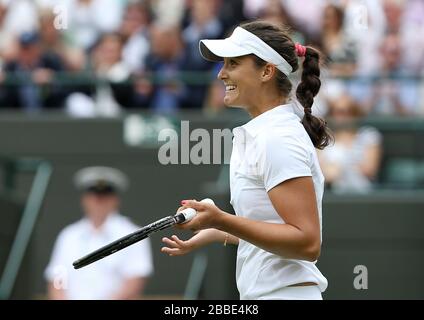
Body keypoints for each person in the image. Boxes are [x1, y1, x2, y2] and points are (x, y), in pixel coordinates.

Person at [161, 21, 332, 300]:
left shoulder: (277, 138)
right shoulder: (264, 134)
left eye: (233, 64)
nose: (221, 74)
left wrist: (224, 220)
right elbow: (272, 230)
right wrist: (217, 228)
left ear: (266, 71)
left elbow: (307, 242)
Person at [45, 166, 153, 300]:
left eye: (105, 196)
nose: (98, 201)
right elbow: (58, 277)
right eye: (93, 195)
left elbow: (134, 281)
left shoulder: (133, 234)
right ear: (84, 199)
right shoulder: (68, 235)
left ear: (115, 199)